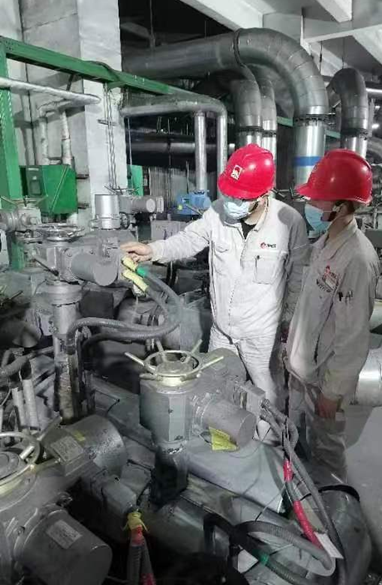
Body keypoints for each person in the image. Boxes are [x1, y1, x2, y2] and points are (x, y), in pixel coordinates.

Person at [121, 143, 310, 434]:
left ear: (263, 195)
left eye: (240, 197)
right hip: (222, 330)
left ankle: (269, 445)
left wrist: (288, 322)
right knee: (212, 387)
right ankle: (223, 441)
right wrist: (153, 250)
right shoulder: (217, 212)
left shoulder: (288, 222)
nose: (231, 201)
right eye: (229, 193)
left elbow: (298, 275)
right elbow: (188, 240)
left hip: (261, 334)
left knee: (267, 397)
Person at [286, 148, 380, 479]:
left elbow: (352, 335)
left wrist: (333, 391)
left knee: (327, 451)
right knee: (300, 441)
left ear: (341, 205)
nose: (310, 204)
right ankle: (305, 493)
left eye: (318, 199)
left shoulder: (357, 259)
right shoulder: (324, 242)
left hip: (323, 380)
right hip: (303, 370)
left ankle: (334, 504)